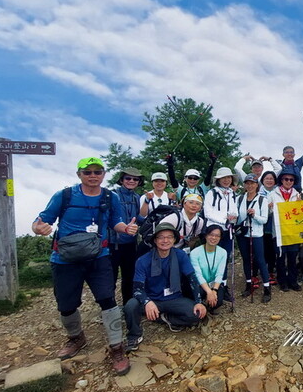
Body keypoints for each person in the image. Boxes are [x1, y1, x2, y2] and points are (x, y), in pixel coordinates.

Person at [33, 157, 137, 375]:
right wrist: (38, 228)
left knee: (108, 300)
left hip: (99, 256)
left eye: (97, 172)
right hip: (65, 258)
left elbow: (115, 222)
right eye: (87, 172)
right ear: (79, 174)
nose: (93, 176)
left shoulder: (110, 197)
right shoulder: (65, 195)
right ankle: (76, 337)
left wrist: (125, 229)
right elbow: (43, 220)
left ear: (104, 174)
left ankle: (117, 348)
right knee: (67, 305)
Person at [124, 223, 207, 351]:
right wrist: (147, 302)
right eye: (161, 237)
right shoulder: (143, 261)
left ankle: (165, 318)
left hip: (174, 297)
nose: (165, 240)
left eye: (169, 237)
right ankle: (134, 335)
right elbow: (137, 288)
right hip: (152, 298)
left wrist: (199, 302)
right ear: (155, 240)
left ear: (174, 240)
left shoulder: (180, 255)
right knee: (130, 305)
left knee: (196, 314)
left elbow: (192, 278)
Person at [110, 167, 145, 304]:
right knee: (110, 277)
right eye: (128, 178)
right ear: (121, 179)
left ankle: (128, 305)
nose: (131, 181)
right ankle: (110, 306)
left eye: (135, 179)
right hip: (114, 243)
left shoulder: (136, 197)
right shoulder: (113, 195)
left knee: (129, 276)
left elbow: (138, 218)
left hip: (131, 243)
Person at [235, 174, 272, 302]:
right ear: (244, 185)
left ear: (257, 185)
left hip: (256, 234)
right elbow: (237, 217)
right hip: (243, 234)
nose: (250, 185)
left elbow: (264, 220)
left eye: (252, 183)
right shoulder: (239, 199)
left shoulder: (262, 200)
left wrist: (255, 215)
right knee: (246, 259)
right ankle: (248, 284)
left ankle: (267, 287)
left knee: (260, 260)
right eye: (247, 183)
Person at [267, 169, 303, 291]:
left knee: (293, 257)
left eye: (291, 179)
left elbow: (301, 215)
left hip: (292, 232)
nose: (288, 181)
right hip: (278, 232)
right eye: (286, 179)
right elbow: (267, 213)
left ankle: (293, 281)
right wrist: (270, 209)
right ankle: (282, 281)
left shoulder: (297, 194)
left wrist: (300, 206)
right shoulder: (272, 194)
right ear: (281, 180)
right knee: (281, 258)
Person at [190, 224, 229, 315]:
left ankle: (207, 304)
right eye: (211, 234)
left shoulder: (223, 252)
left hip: (213, 284)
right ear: (206, 235)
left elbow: (220, 274)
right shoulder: (195, 252)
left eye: (217, 236)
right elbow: (198, 274)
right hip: (200, 285)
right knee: (194, 295)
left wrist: (214, 291)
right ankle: (202, 303)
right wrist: (209, 292)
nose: (213, 238)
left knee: (218, 302)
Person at [203, 167, 239, 260]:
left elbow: (235, 211)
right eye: (223, 178)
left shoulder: (232, 194)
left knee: (225, 257)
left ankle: (223, 275)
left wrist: (233, 220)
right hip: (213, 230)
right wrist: (224, 220)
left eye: (229, 177)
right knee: (212, 257)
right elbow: (207, 213)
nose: (226, 180)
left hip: (228, 231)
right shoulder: (212, 193)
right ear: (218, 180)